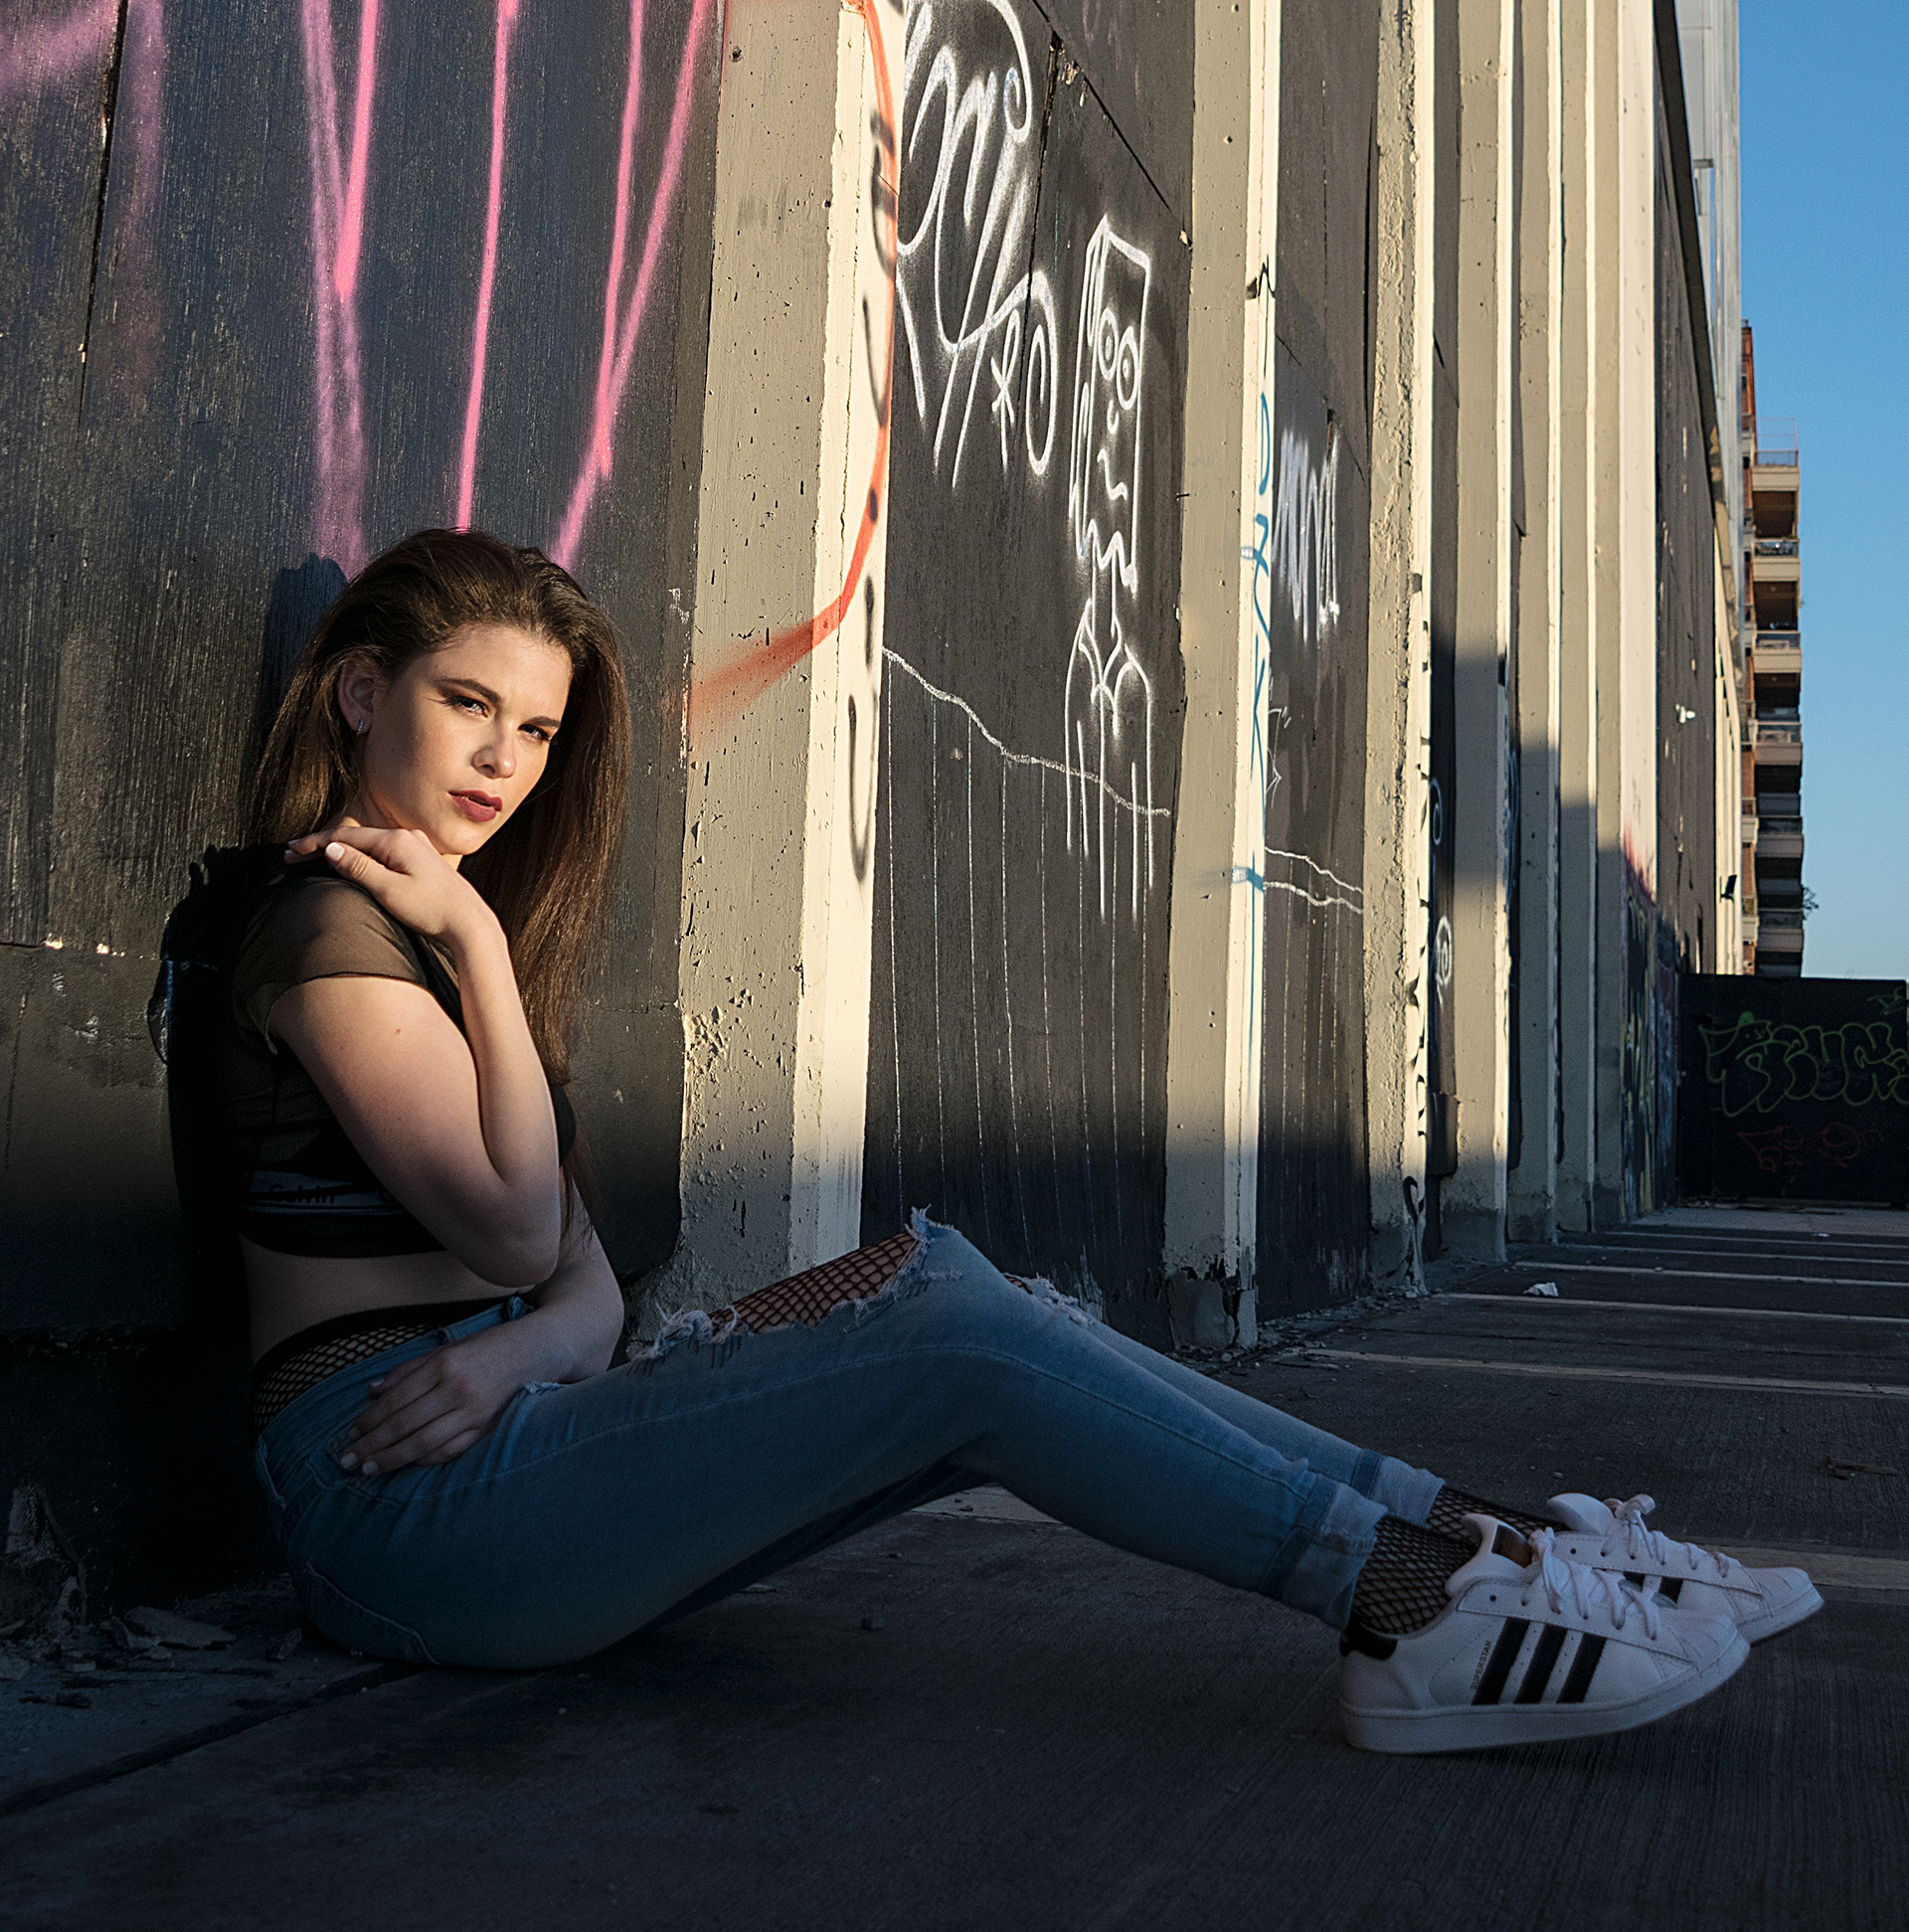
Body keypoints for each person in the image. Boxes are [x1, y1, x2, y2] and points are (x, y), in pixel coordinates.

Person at [218, 528, 1818, 1754]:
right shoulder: (330, 936)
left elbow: (580, 1289)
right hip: (405, 1526)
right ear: (362, 692)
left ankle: (1482, 1535)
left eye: (537, 728)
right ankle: (1405, 1601)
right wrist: (482, 955)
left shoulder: (431, 941)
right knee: (963, 1346)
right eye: (467, 705)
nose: (503, 760)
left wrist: (516, 1348)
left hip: (516, 1442)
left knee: (955, 1285)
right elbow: (519, 1239)